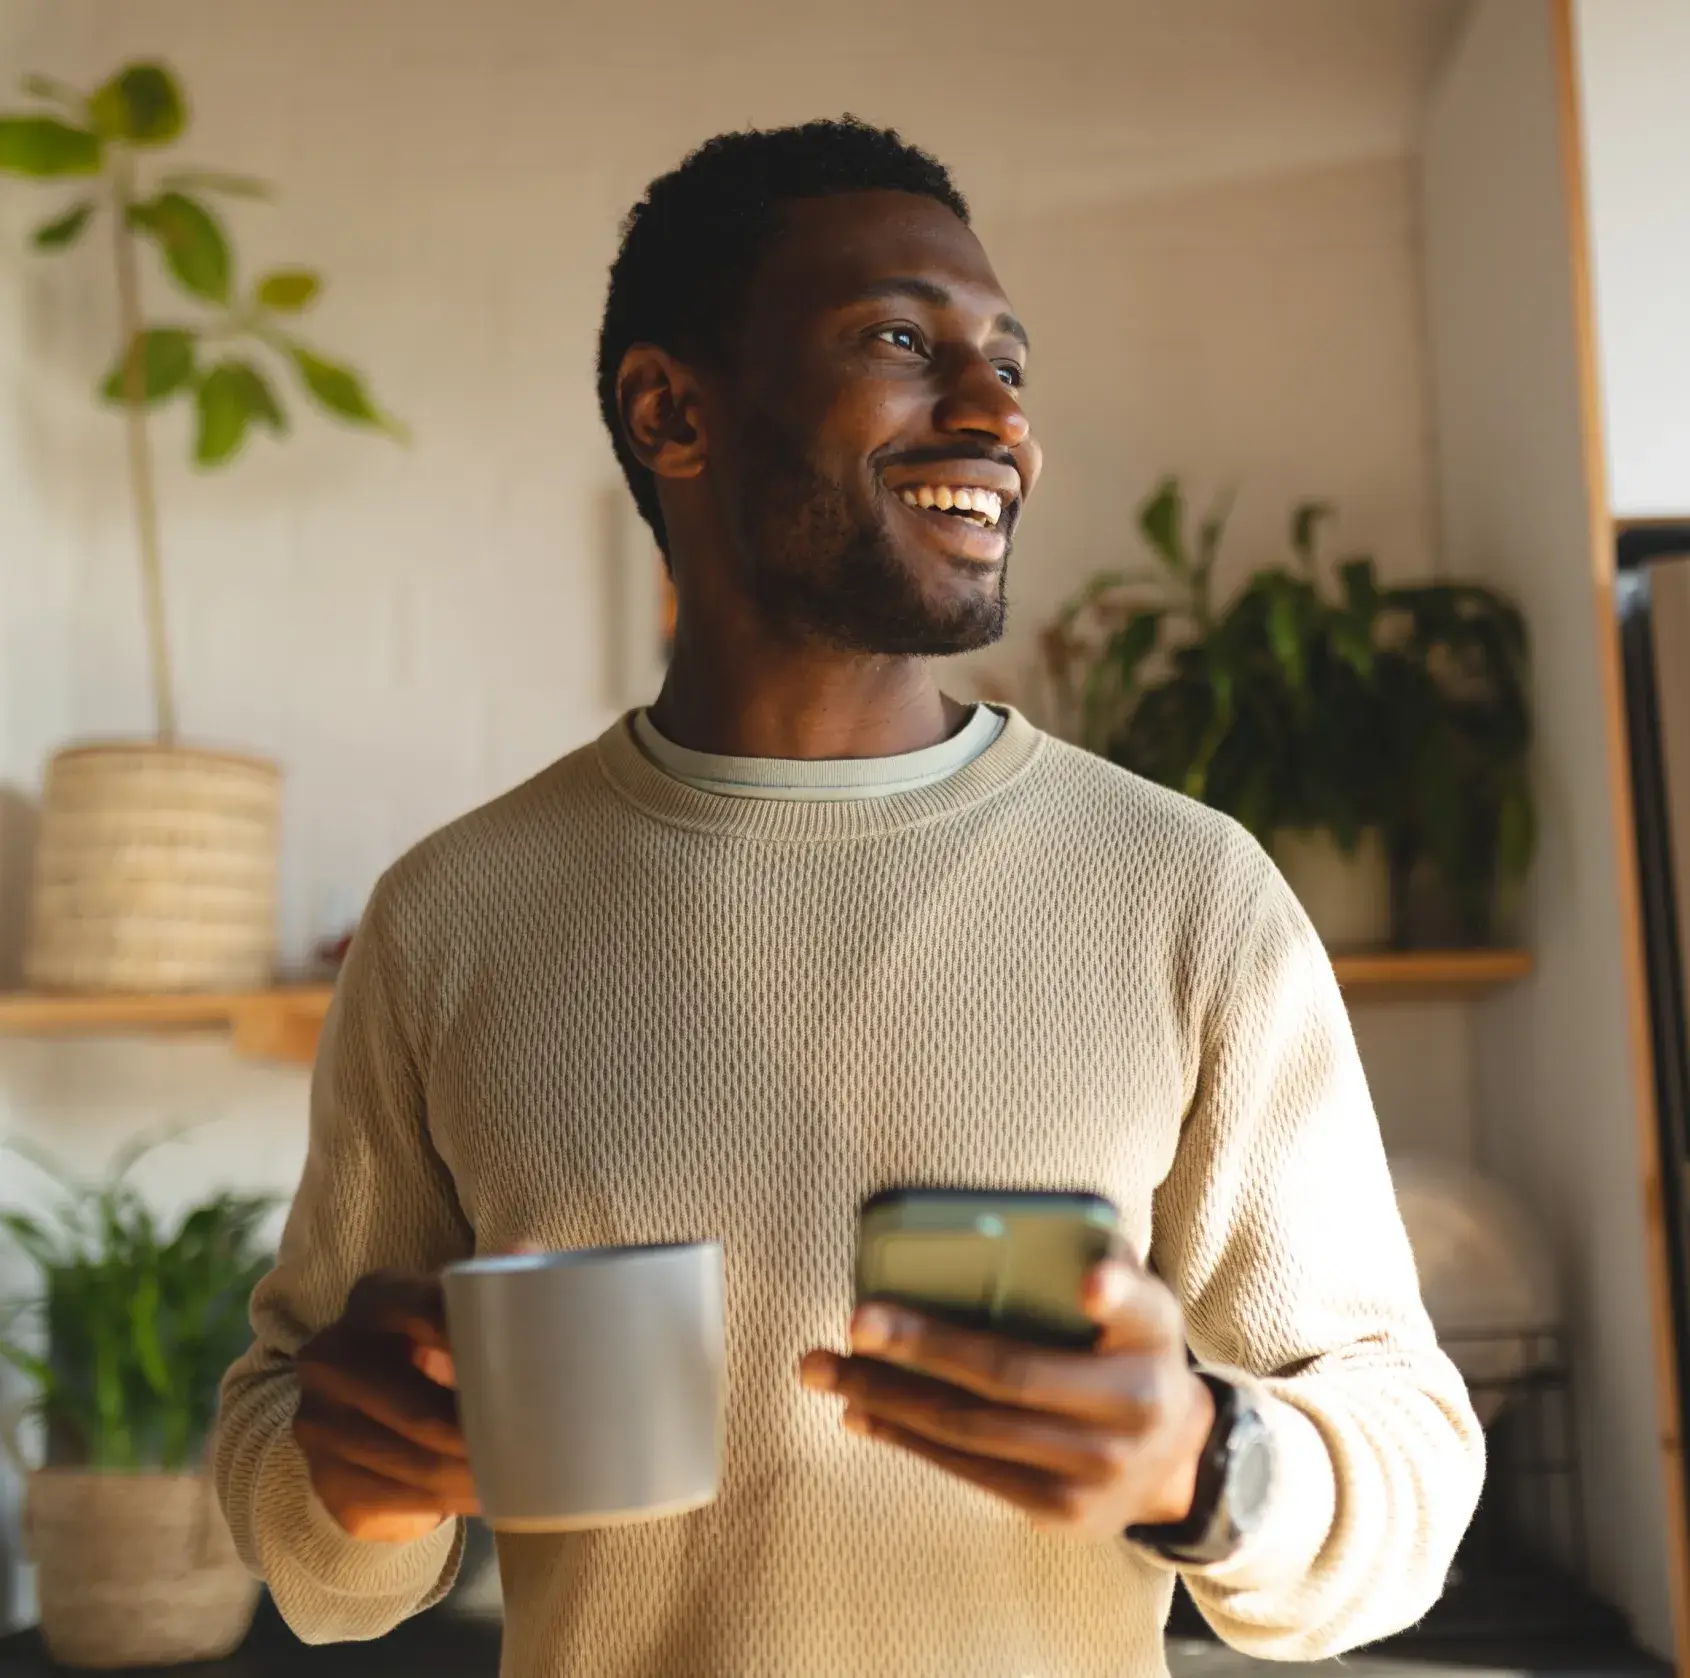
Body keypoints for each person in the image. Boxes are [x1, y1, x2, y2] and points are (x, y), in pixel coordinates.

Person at [215, 117, 1482, 1678]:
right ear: (670, 410)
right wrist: (354, 1478)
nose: (992, 415)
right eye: (899, 338)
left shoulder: (1186, 893)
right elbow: (303, 1508)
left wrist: (1203, 1464)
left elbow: (1407, 1459)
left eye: (1007, 364)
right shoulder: (452, 918)